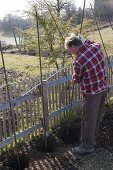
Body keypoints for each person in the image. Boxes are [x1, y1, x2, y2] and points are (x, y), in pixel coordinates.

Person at [65, 34, 109, 155]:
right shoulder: (95, 47)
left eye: (70, 50)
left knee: (88, 119)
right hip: (104, 87)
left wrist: (73, 77)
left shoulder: (79, 60)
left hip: (92, 93)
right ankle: (92, 140)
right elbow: (90, 42)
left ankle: (87, 146)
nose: (71, 52)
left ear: (74, 46)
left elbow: (77, 79)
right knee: (97, 116)